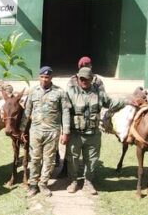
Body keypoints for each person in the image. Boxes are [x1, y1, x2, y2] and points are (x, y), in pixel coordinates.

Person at [64, 66, 123, 195]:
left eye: (87, 79)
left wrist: (129, 101)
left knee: (92, 160)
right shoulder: (70, 93)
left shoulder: (99, 94)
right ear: (78, 79)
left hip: (93, 134)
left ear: (92, 79)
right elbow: (64, 112)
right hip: (75, 134)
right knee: (73, 159)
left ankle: (88, 182)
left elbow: (112, 102)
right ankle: (73, 181)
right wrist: (65, 131)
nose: (84, 81)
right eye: (82, 79)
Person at [24, 65, 65, 197]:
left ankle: (43, 184)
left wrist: (66, 131)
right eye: (42, 77)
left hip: (52, 132)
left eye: (47, 77)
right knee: (35, 159)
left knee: (49, 160)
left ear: (51, 77)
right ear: (39, 77)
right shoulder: (32, 91)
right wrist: (21, 130)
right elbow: (27, 112)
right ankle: (33, 185)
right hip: (35, 131)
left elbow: (65, 113)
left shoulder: (59, 92)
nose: (44, 79)